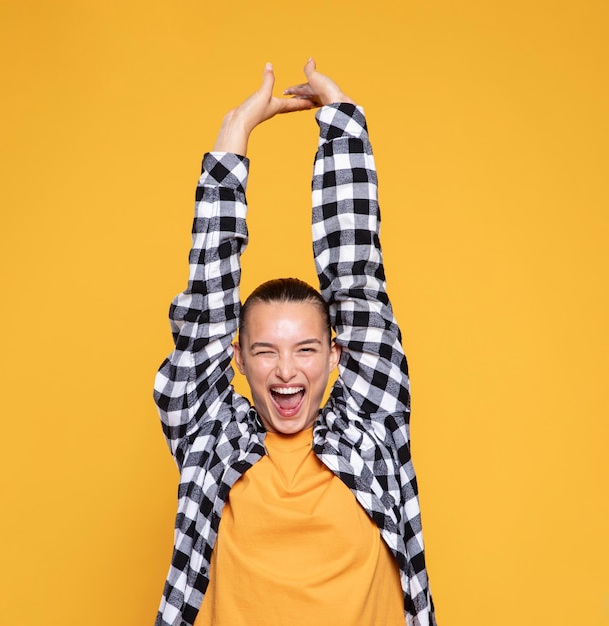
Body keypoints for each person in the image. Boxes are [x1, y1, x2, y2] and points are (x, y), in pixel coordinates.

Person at [153, 59, 437, 626]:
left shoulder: (370, 429)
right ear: (236, 357)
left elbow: (359, 282)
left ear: (337, 355)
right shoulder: (211, 436)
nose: (287, 370)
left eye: (306, 349)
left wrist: (343, 130)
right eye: (265, 350)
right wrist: (232, 140)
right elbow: (207, 302)